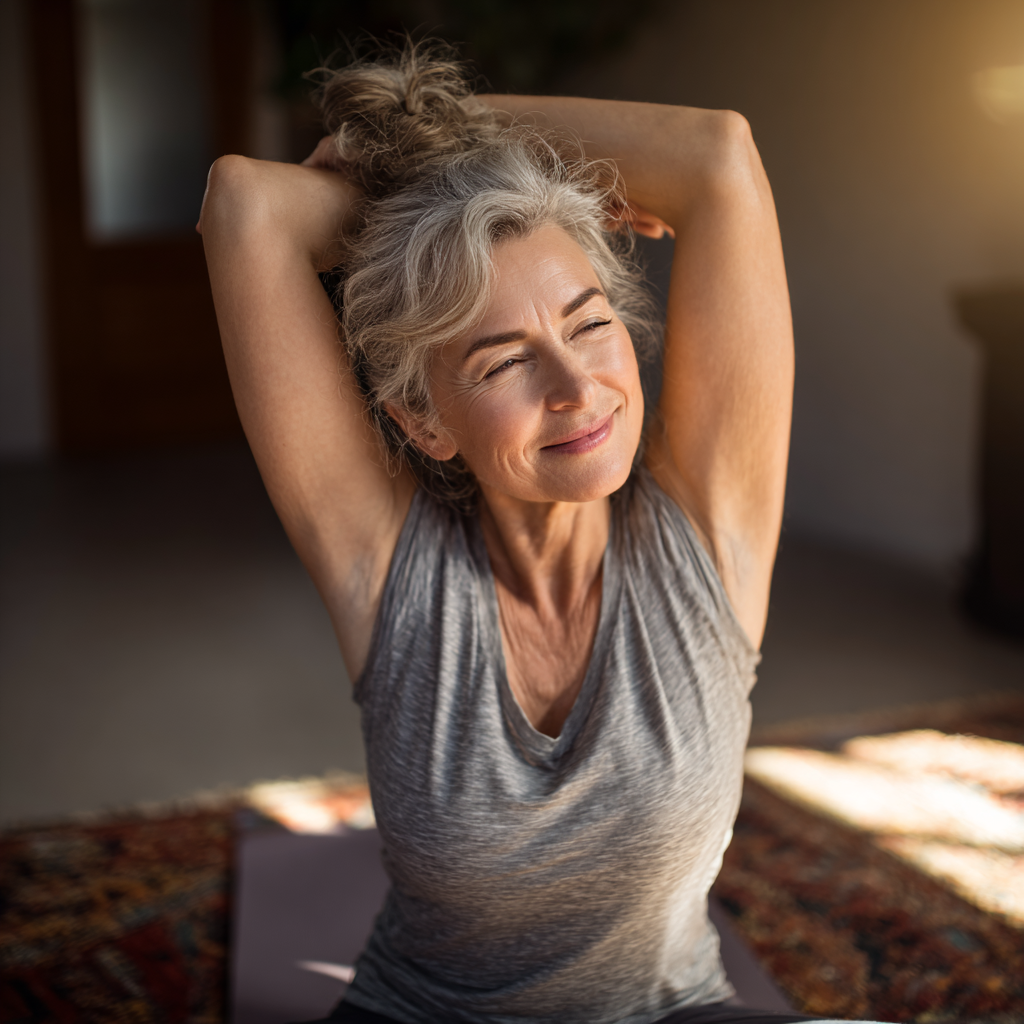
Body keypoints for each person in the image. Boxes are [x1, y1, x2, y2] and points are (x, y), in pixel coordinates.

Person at [200, 41, 864, 1024]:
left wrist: (426, 145)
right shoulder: (390, 569)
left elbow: (716, 156)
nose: (575, 387)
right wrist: (419, 184)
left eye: (588, 322)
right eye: (503, 359)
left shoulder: (707, 536)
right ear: (425, 420)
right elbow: (246, 207)